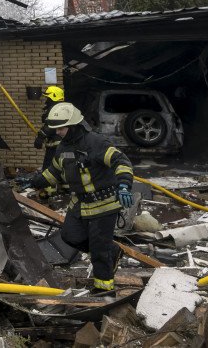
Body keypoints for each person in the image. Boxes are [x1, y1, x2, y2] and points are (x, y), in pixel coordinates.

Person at [25, 102, 134, 295]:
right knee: (69, 235)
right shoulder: (62, 148)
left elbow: (121, 161)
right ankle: (111, 251)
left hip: (104, 204)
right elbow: (53, 173)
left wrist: (124, 184)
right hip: (80, 204)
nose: (57, 132)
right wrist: (33, 182)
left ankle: (104, 289)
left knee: (99, 250)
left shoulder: (96, 143)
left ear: (74, 126)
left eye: (61, 128)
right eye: (56, 128)